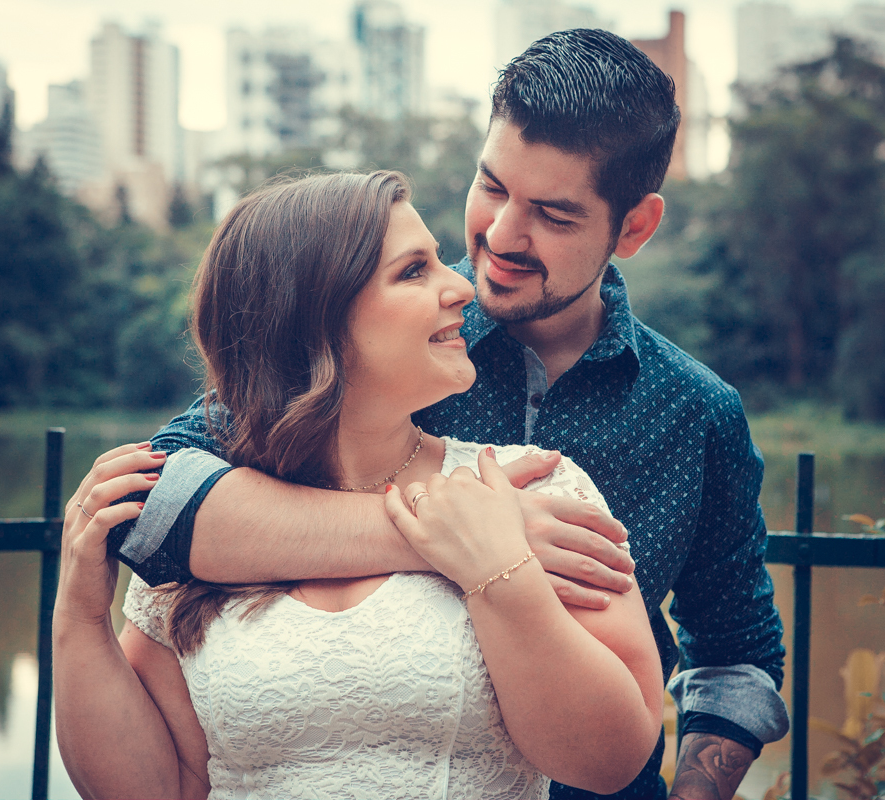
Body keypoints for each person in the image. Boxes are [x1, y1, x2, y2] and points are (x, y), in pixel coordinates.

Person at [98, 28, 787, 800]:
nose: (500, 235)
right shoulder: (385, 337)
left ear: (634, 227)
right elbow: (155, 507)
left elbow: (736, 655)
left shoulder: (697, 412)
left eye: (553, 216)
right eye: (492, 186)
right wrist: (461, 533)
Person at [54, 170, 665, 799]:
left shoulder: (534, 488)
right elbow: (155, 789)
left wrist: (500, 568)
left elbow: (610, 759)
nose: (462, 287)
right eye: (413, 271)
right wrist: (79, 617)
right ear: (313, 321)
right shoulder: (209, 528)